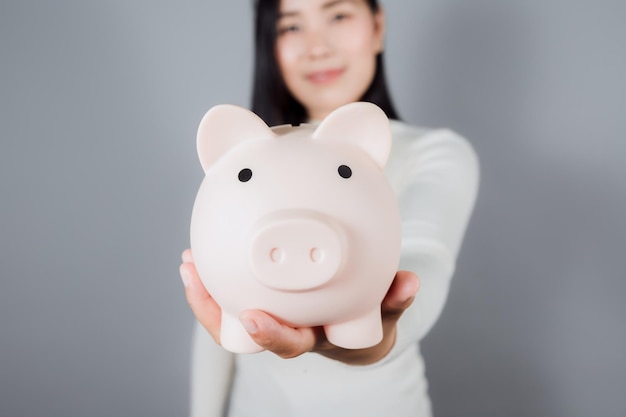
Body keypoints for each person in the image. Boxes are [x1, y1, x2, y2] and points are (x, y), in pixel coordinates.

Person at [178, 0, 479, 416]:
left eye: (337, 16)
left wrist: (379, 332)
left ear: (376, 26)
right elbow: (216, 300)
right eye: (291, 27)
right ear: (269, 43)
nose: (316, 47)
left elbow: (425, 257)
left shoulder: (436, 153)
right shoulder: (241, 163)